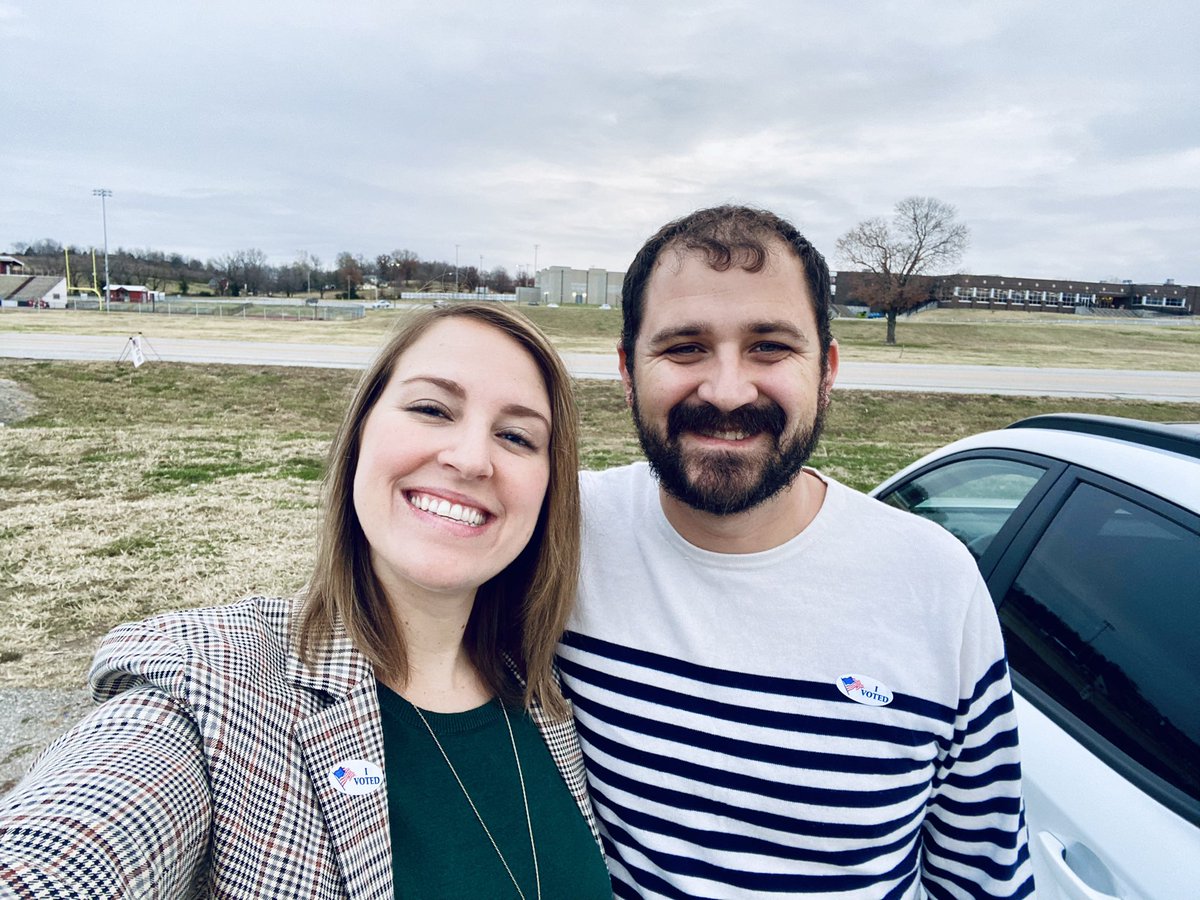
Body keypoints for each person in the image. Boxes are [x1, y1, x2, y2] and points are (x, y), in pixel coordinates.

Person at [0, 304, 612, 899]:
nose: (472, 459)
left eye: (516, 436)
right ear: (360, 434)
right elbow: (69, 849)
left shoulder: (549, 694)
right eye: (431, 409)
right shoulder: (215, 686)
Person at [557, 206, 1035, 898]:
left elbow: (981, 877)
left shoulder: (935, 582)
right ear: (628, 371)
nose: (727, 391)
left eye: (770, 346)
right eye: (685, 348)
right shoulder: (559, 534)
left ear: (826, 370)